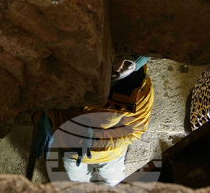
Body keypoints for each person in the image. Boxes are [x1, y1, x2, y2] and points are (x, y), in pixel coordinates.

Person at [31, 54, 153, 186]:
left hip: (109, 156)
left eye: (128, 63)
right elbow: (42, 97)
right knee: (77, 183)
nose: (118, 66)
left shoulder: (138, 94)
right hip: (71, 151)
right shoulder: (66, 67)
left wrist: (96, 139)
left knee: (112, 183)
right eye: (116, 57)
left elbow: (134, 131)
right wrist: (44, 118)